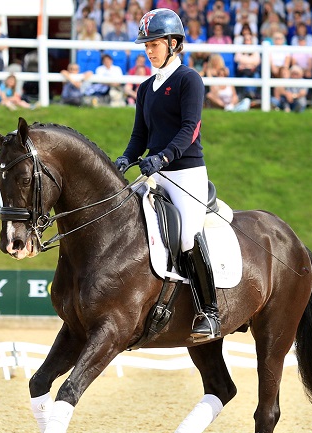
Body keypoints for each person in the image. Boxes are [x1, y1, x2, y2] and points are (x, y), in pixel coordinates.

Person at [114, 8, 221, 340]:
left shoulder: (189, 80)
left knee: (187, 236)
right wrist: (126, 158)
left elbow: (190, 129)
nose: (149, 50)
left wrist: (161, 158)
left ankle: (210, 311)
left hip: (186, 174)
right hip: (155, 173)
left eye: (155, 43)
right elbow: (139, 136)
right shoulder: (146, 88)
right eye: (146, 44)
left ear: (174, 43)